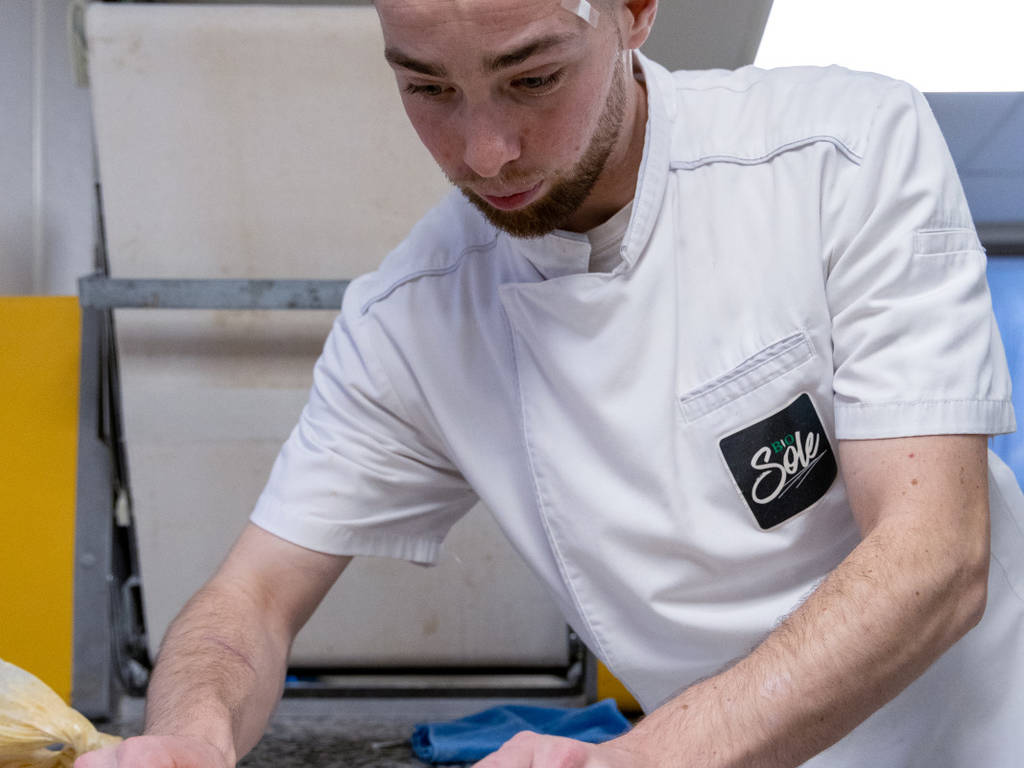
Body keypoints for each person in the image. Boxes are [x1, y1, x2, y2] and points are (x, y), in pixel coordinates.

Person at [77, 0, 1024, 766]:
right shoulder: (412, 318)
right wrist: (189, 733)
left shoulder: (840, 152)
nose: (485, 152)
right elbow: (248, 604)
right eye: (427, 87)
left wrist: (636, 761)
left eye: (533, 78)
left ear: (634, 12)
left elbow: (934, 561)